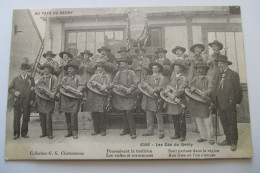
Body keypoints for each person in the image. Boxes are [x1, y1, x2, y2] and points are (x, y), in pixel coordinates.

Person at [212, 55, 242, 151]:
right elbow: (215, 89)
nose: (219, 65)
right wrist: (214, 101)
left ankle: (233, 142)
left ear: (226, 64)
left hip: (230, 103)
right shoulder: (217, 75)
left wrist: (237, 102)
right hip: (220, 104)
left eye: (221, 63)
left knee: (232, 123)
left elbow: (238, 90)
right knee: (224, 122)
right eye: (218, 63)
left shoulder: (233, 74)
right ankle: (228, 139)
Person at [187, 61, 214, 145]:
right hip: (196, 101)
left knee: (207, 119)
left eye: (201, 69)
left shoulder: (208, 78)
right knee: (198, 119)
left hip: (205, 101)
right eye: (198, 69)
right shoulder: (195, 78)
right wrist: (191, 88)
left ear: (205, 69)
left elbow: (210, 88)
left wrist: (205, 93)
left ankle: (211, 138)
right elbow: (190, 86)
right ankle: (203, 136)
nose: (199, 70)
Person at [111, 57, 138, 139]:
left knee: (129, 113)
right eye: (120, 63)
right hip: (121, 95)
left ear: (127, 64)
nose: (121, 65)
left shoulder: (132, 73)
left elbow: (136, 83)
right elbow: (114, 82)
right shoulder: (118, 73)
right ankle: (126, 129)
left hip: (130, 96)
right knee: (123, 113)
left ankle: (133, 132)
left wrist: (131, 88)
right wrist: (116, 86)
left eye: (123, 63)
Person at [84, 61, 111, 136]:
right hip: (94, 97)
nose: (99, 69)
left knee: (102, 113)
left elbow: (109, 86)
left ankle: (103, 130)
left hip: (102, 97)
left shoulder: (107, 76)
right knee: (94, 113)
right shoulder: (94, 75)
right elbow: (89, 83)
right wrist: (93, 84)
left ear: (103, 68)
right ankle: (96, 130)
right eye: (98, 67)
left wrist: (105, 87)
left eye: (100, 67)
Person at [8, 63, 35, 139]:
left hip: (27, 101)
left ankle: (24, 133)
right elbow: (10, 89)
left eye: (26, 70)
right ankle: (16, 134)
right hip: (18, 101)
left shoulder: (31, 79)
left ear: (28, 70)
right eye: (23, 70)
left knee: (26, 118)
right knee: (17, 118)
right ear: (21, 70)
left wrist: (32, 99)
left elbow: (33, 90)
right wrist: (14, 92)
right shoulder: (16, 79)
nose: (24, 71)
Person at [162, 60, 187, 141]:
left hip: (180, 99)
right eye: (175, 67)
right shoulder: (173, 77)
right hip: (172, 100)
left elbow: (182, 89)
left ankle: (183, 135)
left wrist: (174, 95)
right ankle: (177, 133)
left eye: (177, 67)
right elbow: (169, 86)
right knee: (174, 118)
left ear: (181, 69)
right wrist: (166, 90)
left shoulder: (184, 78)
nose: (176, 69)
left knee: (181, 118)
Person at [59, 59, 82, 139]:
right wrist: (62, 86)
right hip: (66, 99)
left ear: (74, 69)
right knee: (67, 115)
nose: (69, 70)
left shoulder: (78, 77)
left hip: (74, 99)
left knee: (74, 115)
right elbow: (61, 86)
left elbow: (81, 85)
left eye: (71, 68)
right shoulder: (64, 78)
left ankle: (75, 132)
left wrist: (78, 90)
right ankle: (69, 132)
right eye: (68, 69)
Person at [141, 62, 165, 139]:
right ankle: (150, 131)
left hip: (157, 98)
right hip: (149, 98)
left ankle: (161, 131)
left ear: (159, 69)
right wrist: (144, 85)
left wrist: (154, 90)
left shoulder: (161, 77)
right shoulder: (149, 77)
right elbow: (144, 85)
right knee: (149, 115)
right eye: (153, 68)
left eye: (156, 68)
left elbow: (161, 86)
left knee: (159, 115)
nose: (154, 70)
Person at [35, 64, 58, 139]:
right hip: (41, 100)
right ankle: (43, 132)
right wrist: (40, 91)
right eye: (44, 69)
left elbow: (56, 87)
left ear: (50, 70)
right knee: (42, 117)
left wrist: (53, 94)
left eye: (47, 69)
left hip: (49, 100)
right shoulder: (40, 79)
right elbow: (37, 88)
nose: (45, 70)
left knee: (48, 117)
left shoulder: (53, 78)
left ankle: (49, 133)